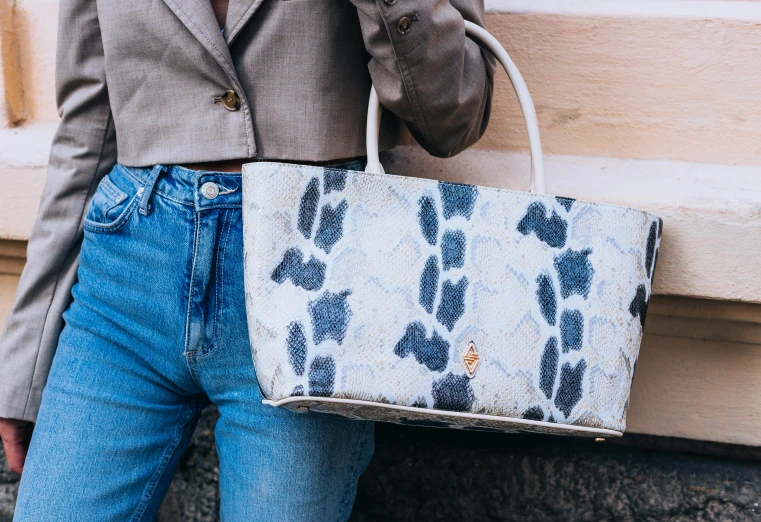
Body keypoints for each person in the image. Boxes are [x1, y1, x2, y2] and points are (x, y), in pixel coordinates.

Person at [0, 0, 494, 519]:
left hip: (311, 288)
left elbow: (455, 114)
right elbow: (89, 127)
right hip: (125, 288)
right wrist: (27, 360)